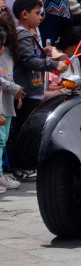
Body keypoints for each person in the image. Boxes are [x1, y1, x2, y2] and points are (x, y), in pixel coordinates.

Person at [11, 0, 68, 180]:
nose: (40, 17)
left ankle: (25, 166)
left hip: (32, 90)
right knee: (24, 132)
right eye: (37, 13)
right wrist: (53, 65)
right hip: (26, 91)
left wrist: (43, 52)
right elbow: (28, 60)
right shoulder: (22, 33)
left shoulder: (28, 34)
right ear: (24, 14)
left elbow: (30, 55)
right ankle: (22, 168)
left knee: (29, 131)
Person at [0, 16, 25, 190]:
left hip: (7, 100)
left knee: (3, 139)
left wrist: (16, 93)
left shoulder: (7, 52)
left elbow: (8, 75)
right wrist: (14, 88)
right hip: (2, 101)